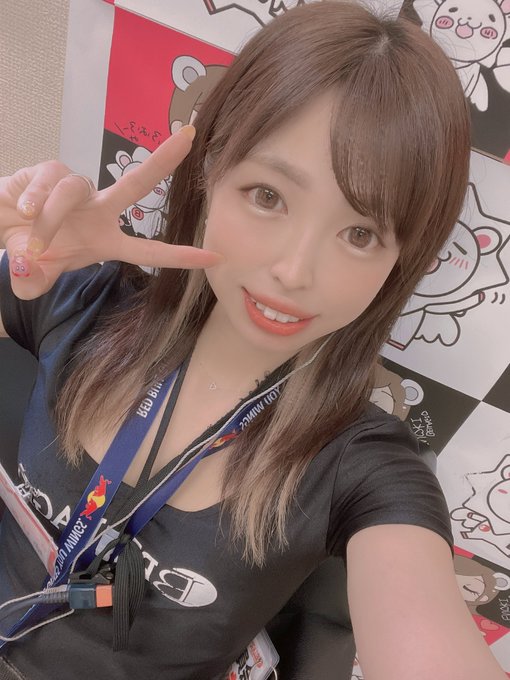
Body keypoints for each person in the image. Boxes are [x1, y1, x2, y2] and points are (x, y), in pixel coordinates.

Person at [0, 2, 506, 679]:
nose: (294, 271)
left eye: (360, 234)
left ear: (399, 263)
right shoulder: (83, 300)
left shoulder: (364, 469)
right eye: (268, 196)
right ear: (210, 172)